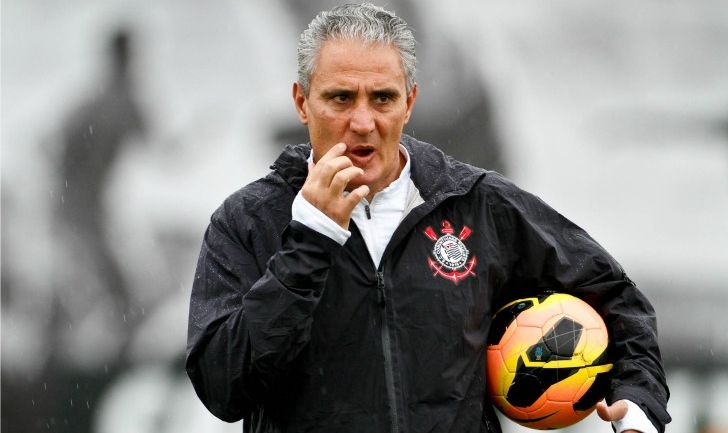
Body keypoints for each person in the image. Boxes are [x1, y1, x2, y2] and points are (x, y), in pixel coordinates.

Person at [185, 4, 671, 433]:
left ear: (410, 102)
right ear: (301, 103)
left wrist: (638, 402)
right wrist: (311, 238)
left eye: (382, 98)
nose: (362, 121)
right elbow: (222, 387)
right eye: (340, 98)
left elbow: (617, 297)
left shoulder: (475, 202)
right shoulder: (248, 220)